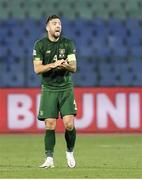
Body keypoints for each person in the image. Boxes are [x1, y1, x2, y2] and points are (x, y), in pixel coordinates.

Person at [33, 15, 77, 168]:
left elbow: (74, 67)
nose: (58, 26)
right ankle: (49, 159)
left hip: (65, 88)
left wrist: (65, 65)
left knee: (69, 124)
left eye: (59, 23)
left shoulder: (68, 43)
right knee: (50, 125)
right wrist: (53, 64)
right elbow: (37, 69)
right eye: (54, 23)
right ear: (47, 27)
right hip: (49, 89)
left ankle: (69, 152)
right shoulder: (39, 45)